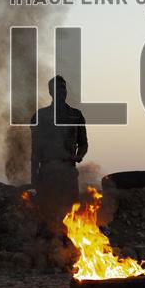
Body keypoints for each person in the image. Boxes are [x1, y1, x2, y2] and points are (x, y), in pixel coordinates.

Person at [30, 75, 88, 233]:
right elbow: (35, 151)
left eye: (63, 88)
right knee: (47, 215)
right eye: (57, 89)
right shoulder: (41, 116)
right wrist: (34, 180)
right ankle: (46, 251)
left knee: (71, 214)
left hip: (68, 172)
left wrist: (79, 156)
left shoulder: (75, 115)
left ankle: (67, 251)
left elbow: (83, 143)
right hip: (48, 172)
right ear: (50, 92)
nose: (61, 92)